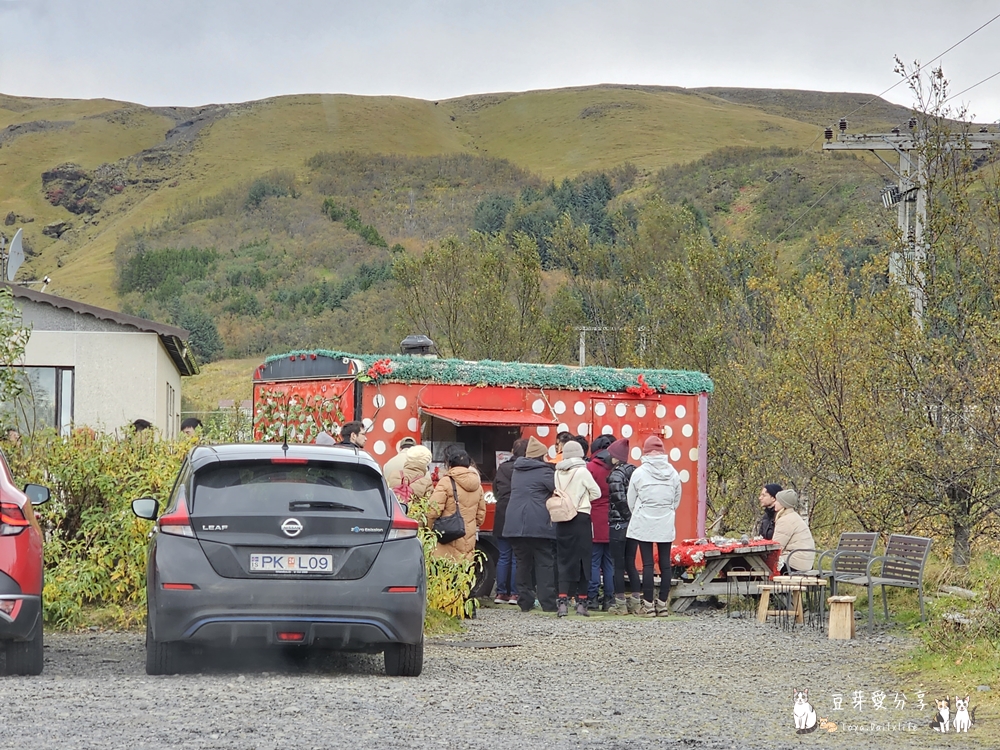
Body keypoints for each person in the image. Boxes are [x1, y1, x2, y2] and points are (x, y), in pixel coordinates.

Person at [626, 436, 682, 617]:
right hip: (665, 520)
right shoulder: (673, 473)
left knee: (648, 564)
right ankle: (663, 604)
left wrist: (641, 512)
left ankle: (648, 605)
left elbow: (631, 500)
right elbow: (676, 499)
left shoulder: (639, 473)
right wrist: (667, 511)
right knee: (665, 564)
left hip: (644, 520)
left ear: (646, 451)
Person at [503, 436, 558, 612]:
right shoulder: (545, 472)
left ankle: (525, 601)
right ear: (541, 456)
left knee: (522, 563)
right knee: (544, 563)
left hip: (514, 523)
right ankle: (548, 603)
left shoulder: (517, 471)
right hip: (538, 524)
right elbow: (556, 489)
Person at [554, 440, 600, 617]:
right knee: (583, 560)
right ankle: (581, 603)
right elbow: (597, 493)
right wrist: (583, 498)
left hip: (563, 518)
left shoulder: (557, 472)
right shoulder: (583, 471)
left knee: (564, 560)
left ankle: (562, 603)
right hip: (581, 517)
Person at [425, 449, 486, 563]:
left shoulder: (445, 482)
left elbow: (433, 511)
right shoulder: (478, 485)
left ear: (450, 464)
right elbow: (481, 516)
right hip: (468, 538)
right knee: (462, 573)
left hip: (448, 537)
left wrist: (428, 528)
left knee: (446, 575)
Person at [492, 438, 527, 605]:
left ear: (513, 451)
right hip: (519, 513)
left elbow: (495, 490)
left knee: (504, 555)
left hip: (502, 512)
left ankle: (500, 593)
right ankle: (514, 593)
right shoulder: (526, 469)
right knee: (516, 556)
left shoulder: (502, 467)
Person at [606, 438, 637, 614]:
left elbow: (618, 498)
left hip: (618, 524)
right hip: (633, 526)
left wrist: (627, 518)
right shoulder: (634, 471)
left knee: (617, 565)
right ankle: (635, 601)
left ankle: (620, 604)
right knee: (630, 563)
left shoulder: (616, 474)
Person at [587, 434, 615, 610]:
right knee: (610, 563)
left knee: (594, 562)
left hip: (594, 519)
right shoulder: (616, 468)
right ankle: (609, 599)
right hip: (613, 519)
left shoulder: (590, 468)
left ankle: (592, 598)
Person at [772, 489, 817, 573]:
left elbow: (776, 547)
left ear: (783, 504)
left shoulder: (785, 520)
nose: (774, 503)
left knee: (762, 567)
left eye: (777, 501)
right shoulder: (794, 516)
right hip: (804, 562)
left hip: (794, 564)